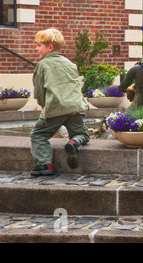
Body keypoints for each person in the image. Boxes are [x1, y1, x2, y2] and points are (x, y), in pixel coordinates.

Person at [30, 28, 90, 176]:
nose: (36, 48)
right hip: (76, 107)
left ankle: (45, 165)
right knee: (82, 134)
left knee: (38, 135)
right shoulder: (70, 64)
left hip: (55, 108)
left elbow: (39, 92)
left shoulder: (42, 65)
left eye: (39, 45)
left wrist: (44, 107)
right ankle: (74, 143)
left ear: (49, 47)